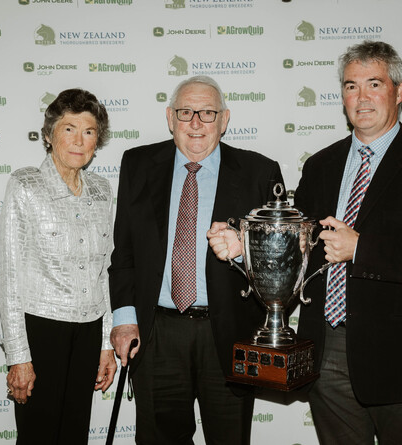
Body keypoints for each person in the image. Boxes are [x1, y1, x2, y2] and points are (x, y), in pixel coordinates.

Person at [209, 41, 402, 444]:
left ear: (399, 91)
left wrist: (360, 248)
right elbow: (303, 248)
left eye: (374, 84)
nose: (361, 97)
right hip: (324, 351)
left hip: (395, 357)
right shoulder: (321, 165)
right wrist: (250, 249)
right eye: (350, 86)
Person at [109, 75, 284, 445]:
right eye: (186, 112)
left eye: (208, 113)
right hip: (157, 334)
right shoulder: (138, 164)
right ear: (170, 118)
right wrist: (125, 321)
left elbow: (283, 260)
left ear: (225, 119)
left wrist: (247, 248)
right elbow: (123, 252)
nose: (196, 123)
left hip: (230, 335)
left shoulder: (259, 172)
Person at [0, 88, 117, 444]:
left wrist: (106, 343)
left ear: (98, 140)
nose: (79, 140)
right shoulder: (25, 185)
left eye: (89, 131)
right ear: (49, 135)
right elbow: (10, 278)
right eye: (69, 129)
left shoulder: (102, 190)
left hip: (89, 331)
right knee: (38, 436)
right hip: (41, 332)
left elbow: (105, 270)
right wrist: (19, 357)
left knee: (75, 434)